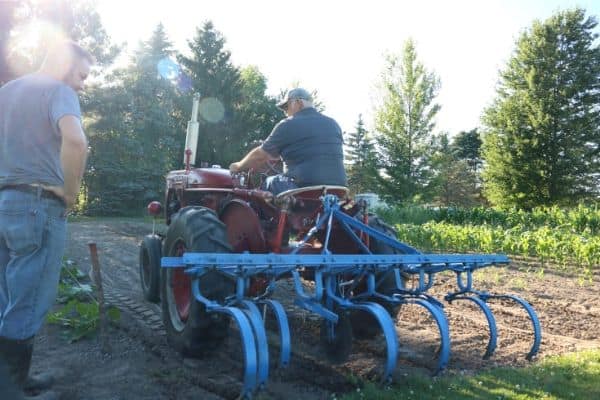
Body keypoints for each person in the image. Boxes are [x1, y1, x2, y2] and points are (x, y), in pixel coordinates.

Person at [0, 40, 92, 400]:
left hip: (3, 202)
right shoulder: (57, 90)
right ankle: (9, 391)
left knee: (6, 297)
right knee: (30, 298)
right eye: (81, 75)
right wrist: (70, 193)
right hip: (37, 207)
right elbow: (76, 142)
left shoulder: (6, 92)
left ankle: (14, 380)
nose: (83, 84)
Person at [229, 87, 347, 194]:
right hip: (338, 190)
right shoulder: (333, 124)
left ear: (299, 103)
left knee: (268, 183)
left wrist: (238, 166)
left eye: (287, 107)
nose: (285, 112)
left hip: (304, 189)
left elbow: (260, 156)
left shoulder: (288, 124)